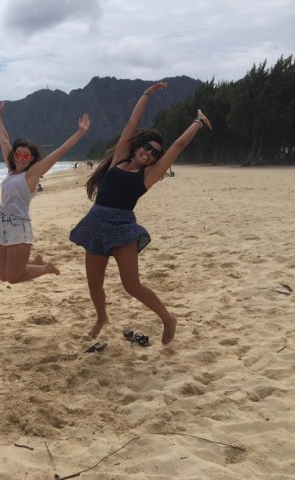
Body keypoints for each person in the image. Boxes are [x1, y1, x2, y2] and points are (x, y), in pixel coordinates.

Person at [69, 82, 211, 345]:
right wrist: (146, 95)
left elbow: (177, 147)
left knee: (131, 285)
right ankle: (102, 317)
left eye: (155, 153)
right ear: (137, 147)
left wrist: (198, 122)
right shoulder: (120, 158)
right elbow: (131, 124)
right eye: (147, 147)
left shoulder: (149, 175)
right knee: (94, 284)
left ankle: (168, 318)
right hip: (96, 223)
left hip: (122, 228)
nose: (150, 153)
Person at [0, 101, 90, 284]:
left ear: (31, 159)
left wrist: (80, 132)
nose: (21, 158)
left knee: (13, 278)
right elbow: (4, 140)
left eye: (26, 156)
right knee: (2, 275)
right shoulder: (11, 170)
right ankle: (36, 261)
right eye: (18, 154)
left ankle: (45, 268)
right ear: (14, 156)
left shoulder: (31, 175)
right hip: (3, 224)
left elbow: (59, 152)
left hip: (19, 227)